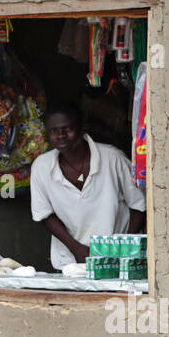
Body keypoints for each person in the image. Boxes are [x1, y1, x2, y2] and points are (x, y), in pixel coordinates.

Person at [29, 102, 145, 269]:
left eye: (67, 129)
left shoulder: (113, 158)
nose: (61, 135)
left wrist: (124, 248)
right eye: (54, 131)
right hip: (70, 262)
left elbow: (139, 205)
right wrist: (75, 248)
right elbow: (44, 214)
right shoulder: (41, 167)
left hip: (117, 260)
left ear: (82, 128)